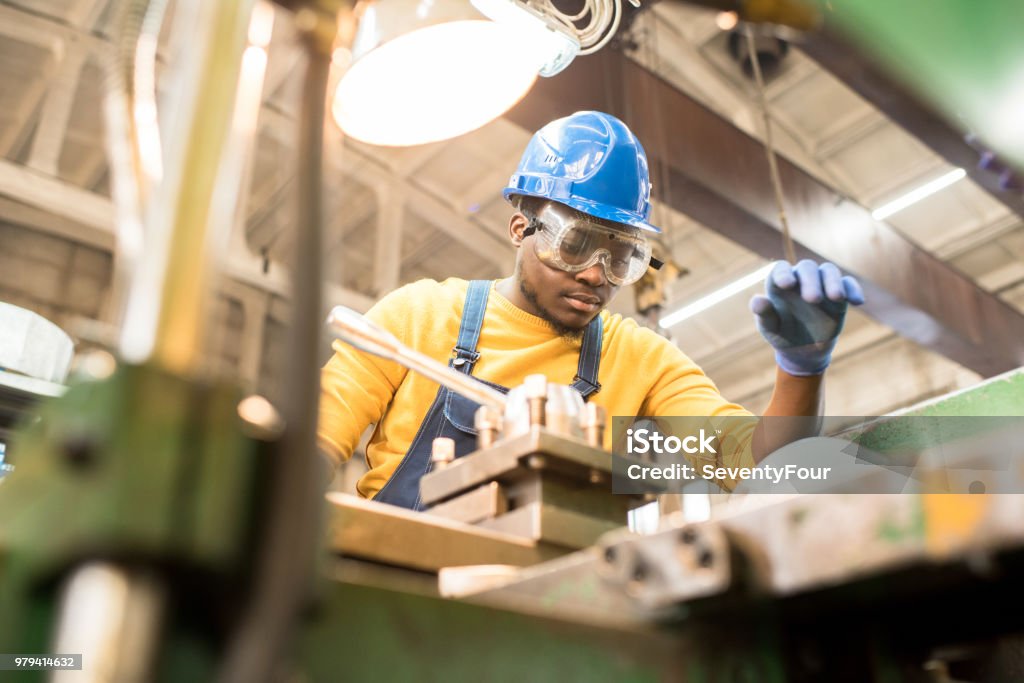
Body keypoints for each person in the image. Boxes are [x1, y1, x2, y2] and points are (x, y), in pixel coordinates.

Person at [318, 111, 864, 510]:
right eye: (575, 244)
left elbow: (759, 467)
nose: (596, 275)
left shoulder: (642, 361)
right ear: (520, 228)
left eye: (622, 257)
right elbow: (313, 446)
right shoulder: (416, 318)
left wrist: (800, 372)